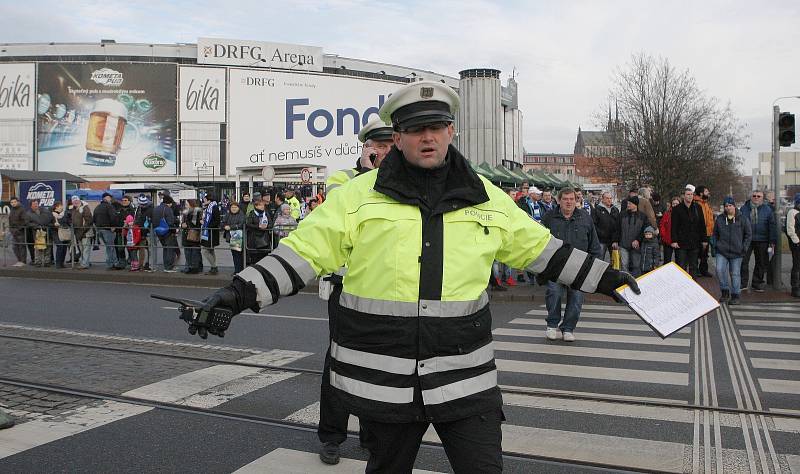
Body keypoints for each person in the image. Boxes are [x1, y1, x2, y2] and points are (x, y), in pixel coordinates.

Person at [193, 81, 639, 473]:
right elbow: (303, 254)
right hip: (384, 381)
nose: (427, 137)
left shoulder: (487, 198)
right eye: (414, 129)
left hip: (465, 377)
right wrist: (237, 294)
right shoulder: (356, 198)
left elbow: (545, 252)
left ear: (450, 131)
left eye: (436, 127)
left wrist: (609, 280)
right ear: (398, 137)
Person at [317, 116, 395, 464]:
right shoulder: (344, 179)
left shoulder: (401, 182)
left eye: (387, 145)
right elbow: (343, 210)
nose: (381, 152)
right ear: (364, 149)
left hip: (383, 288)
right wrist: (368, 172)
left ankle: (370, 434)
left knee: (378, 364)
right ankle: (332, 436)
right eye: (374, 146)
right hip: (345, 287)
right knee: (339, 359)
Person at [541, 187, 601, 342]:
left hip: (579, 266)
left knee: (576, 299)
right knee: (553, 294)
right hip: (555, 265)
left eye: (572, 199)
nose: (569, 202)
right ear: (559, 200)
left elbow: (594, 242)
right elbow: (540, 241)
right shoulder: (549, 217)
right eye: (565, 199)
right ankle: (552, 325)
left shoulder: (585, 218)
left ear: (577, 200)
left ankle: (568, 328)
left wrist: (594, 266)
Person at [713, 196, 751, 305]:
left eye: (730, 205)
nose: (728, 208)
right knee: (719, 270)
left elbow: (748, 235)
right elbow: (715, 234)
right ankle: (725, 291)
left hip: (737, 252)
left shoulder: (743, 219)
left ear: (734, 206)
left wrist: (744, 248)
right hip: (722, 251)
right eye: (726, 206)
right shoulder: (720, 219)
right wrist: (716, 245)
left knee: (735, 274)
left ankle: (735, 295)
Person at [740, 190, 777, 292]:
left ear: (762, 198)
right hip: (747, 239)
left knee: (761, 262)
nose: (756, 197)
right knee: (743, 261)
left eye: (759, 196)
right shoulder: (744, 208)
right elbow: (739, 225)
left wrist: (772, 241)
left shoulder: (768, 209)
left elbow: (772, 226)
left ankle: (757, 283)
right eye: (754, 196)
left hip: (762, 239)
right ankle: (743, 283)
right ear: (751, 197)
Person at [671, 185, 707, 279]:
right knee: (681, 266)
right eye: (688, 194)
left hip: (694, 242)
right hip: (681, 242)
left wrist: (704, 239)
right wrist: (674, 240)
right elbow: (674, 226)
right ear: (684, 196)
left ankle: (693, 287)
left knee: (693, 267)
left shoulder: (697, 208)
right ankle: (681, 287)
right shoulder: (677, 209)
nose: (690, 196)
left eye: (691, 194)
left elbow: (702, 224)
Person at [618, 196, 648, 277]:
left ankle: (636, 283)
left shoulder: (642, 216)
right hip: (623, 244)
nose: (628, 205)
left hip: (636, 246)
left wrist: (638, 240)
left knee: (636, 265)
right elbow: (617, 228)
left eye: (630, 203)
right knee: (624, 265)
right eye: (628, 203)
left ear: (635, 205)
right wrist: (615, 240)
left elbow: (644, 231)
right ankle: (625, 283)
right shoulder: (622, 215)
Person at [93, 192, 122, 270]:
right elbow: (113, 217)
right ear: (106, 198)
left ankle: (110, 263)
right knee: (111, 247)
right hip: (108, 229)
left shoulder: (97, 207)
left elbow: (94, 219)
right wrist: (113, 226)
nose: (111, 199)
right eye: (110, 197)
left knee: (108, 247)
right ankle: (114, 263)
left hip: (100, 229)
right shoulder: (109, 207)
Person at [153, 195, 178, 272]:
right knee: (170, 249)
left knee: (165, 248)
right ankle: (169, 267)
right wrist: (175, 230)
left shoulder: (156, 209)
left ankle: (166, 265)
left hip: (158, 231)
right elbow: (170, 222)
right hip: (167, 232)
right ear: (169, 203)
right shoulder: (168, 209)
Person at [593, 191, 620, 263]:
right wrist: (601, 234)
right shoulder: (597, 210)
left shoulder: (615, 210)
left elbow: (618, 225)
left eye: (610, 198)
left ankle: (612, 274)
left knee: (615, 261)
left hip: (613, 240)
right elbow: (594, 225)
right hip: (601, 240)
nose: (609, 200)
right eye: (607, 198)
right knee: (599, 260)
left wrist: (616, 239)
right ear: (603, 199)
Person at [694, 186, 715, 277]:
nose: (708, 192)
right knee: (697, 252)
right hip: (700, 233)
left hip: (708, 232)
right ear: (701, 193)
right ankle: (696, 270)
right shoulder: (696, 203)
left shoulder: (706, 203)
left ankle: (703, 270)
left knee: (705, 254)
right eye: (706, 191)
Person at [69, 195, 94, 270]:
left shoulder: (85, 208)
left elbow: (89, 221)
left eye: (76, 200)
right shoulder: (73, 209)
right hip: (78, 232)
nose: (75, 202)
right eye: (74, 201)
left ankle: (84, 264)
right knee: (81, 248)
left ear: (79, 200)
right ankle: (84, 262)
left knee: (85, 248)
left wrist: (83, 230)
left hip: (85, 232)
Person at [27, 199, 54, 267]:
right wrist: (36, 226)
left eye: (36, 203)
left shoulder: (45, 210)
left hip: (47, 231)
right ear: (31, 205)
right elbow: (27, 223)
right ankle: (38, 262)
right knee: (38, 248)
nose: (36, 205)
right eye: (34, 204)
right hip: (37, 233)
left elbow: (51, 219)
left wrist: (48, 225)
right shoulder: (28, 213)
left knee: (48, 247)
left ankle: (47, 262)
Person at [200, 193, 221, 275]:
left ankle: (214, 266)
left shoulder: (214, 207)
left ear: (209, 200)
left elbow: (217, 221)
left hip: (211, 232)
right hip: (208, 232)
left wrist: (206, 224)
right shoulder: (208, 207)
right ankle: (214, 267)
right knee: (211, 250)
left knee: (205, 250)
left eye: (204, 199)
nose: (203, 201)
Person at [222, 202, 246, 274]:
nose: (234, 209)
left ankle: (239, 270)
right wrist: (224, 226)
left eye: (235, 207)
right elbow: (223, 222)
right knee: (234, 254)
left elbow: (241, 224)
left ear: (238, 208)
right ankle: (237, 269)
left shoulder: (241, 214)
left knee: (238, 255)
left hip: (239, 237)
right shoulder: (228, 214)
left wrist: (231, 227)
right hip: (231, 237)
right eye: (232, 207)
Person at [245, 199, 271, 264]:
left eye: (263, 205)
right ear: (256, 206)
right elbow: (248, 224)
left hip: (264, 239)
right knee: (255, 258)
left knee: (264, 258)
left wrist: (266, 227)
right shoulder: (252, 213)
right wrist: (258, 226)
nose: (262, 207)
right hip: (254, 239)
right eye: (260, 205)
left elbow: (271, 223)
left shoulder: (266, 213)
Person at [181, 199, 203, 274]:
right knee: (187, 252)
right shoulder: (185, 212)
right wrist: (182, 225)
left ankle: (194, 268)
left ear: (191, 204)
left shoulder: (197, 212)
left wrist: (186, 224)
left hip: (193, 234)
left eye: (187, 204)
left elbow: (196, 224)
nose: (185, 205)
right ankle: (189, 267)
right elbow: (183, 223)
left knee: (194, 252)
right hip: (186, 234)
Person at [133, 194, 154, 272]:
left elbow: (148, 221)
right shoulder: (139, 208)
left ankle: (147, 264)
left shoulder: (149, 209)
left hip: (146, 232)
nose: (141, 205)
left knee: (146, 249)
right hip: (140, 231)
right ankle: (142, 264)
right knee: (142, 248)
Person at [8, 197, 29, 266]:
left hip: (20, 231)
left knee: (21, 246)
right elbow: (10, 220)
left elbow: (25, 221)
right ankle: (19, 260)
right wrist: (11, 229)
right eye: (12, 202)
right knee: (14, 247)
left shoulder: (22, 209)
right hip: (13, 231)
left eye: (14, 202)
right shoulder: (12, 210)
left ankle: (23, 261)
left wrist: (18, 229)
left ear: (18, 202)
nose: (13, 203)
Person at [659, 196, 680, 264]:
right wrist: (664, 236)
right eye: (674, 203)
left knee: (679, 262)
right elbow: (662, 225)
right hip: (667, 240)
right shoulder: (667, 213)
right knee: (667, 261)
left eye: (677, 203)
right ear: (671, 204)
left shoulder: (682, 213)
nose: (675, 205)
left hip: (679, 241)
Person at [787, 193, 800, 298]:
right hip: (797, 244)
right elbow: (790, 229)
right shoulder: (793, 212)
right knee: (797, 266)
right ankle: (795, 288)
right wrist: (797, 241)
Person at [51, 202, 70, 269]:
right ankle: (58, 263)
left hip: (63, 232)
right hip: (55, 232)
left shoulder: (64, 214)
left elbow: (67, 222)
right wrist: (54, 225)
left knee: (64, 246)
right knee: (60, 246)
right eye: (60, 206)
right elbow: (49, 223)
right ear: (56, 207)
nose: (62, 207)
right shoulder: (52, 214)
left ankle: (62, 263)